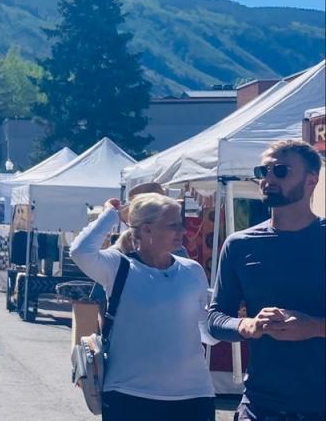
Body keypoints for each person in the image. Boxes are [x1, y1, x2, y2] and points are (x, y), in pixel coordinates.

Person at [208, 140, 325, 421]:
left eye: (281, 171)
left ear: (312, 180)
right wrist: (247, 325)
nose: (268, 179)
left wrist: (313, 327)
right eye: (263, 171)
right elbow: (215, 319)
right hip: (260, 405)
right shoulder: (239, 245)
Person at [70, 194, 216, 421]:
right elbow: (80, 251)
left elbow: (206, 333)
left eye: (181, 224)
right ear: (147, 230)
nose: (182, 231)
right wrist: (110, 215)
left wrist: (236, 323)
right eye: (173, 226)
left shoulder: (192, 271)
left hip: (193, 397)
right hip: (129, 396)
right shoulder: (118, 266)